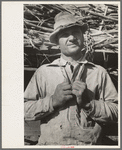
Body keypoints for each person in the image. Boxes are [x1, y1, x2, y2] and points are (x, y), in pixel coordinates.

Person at [24, 11, 118, 145]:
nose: (72, 38)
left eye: (76, 32)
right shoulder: (43, 72)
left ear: (83, 37)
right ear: (57, 42)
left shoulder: (98, 73)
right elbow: (23, 110)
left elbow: (117, 111)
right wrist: (52, 101)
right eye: (65, 34)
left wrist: (89, 103)